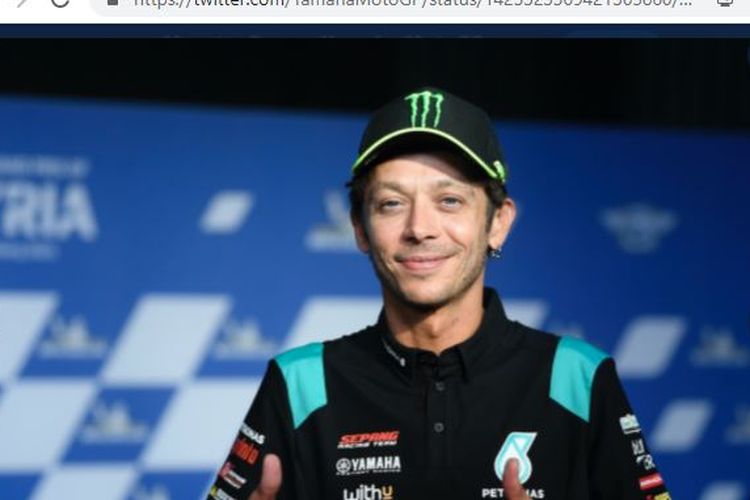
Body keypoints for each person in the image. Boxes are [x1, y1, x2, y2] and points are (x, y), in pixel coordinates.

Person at [206, 88, 670, 500]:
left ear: (498, 222)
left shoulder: (579, 378)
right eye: (391, 203)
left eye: (449, 201)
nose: (420, 228)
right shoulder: (300, 383)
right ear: (360, 229)